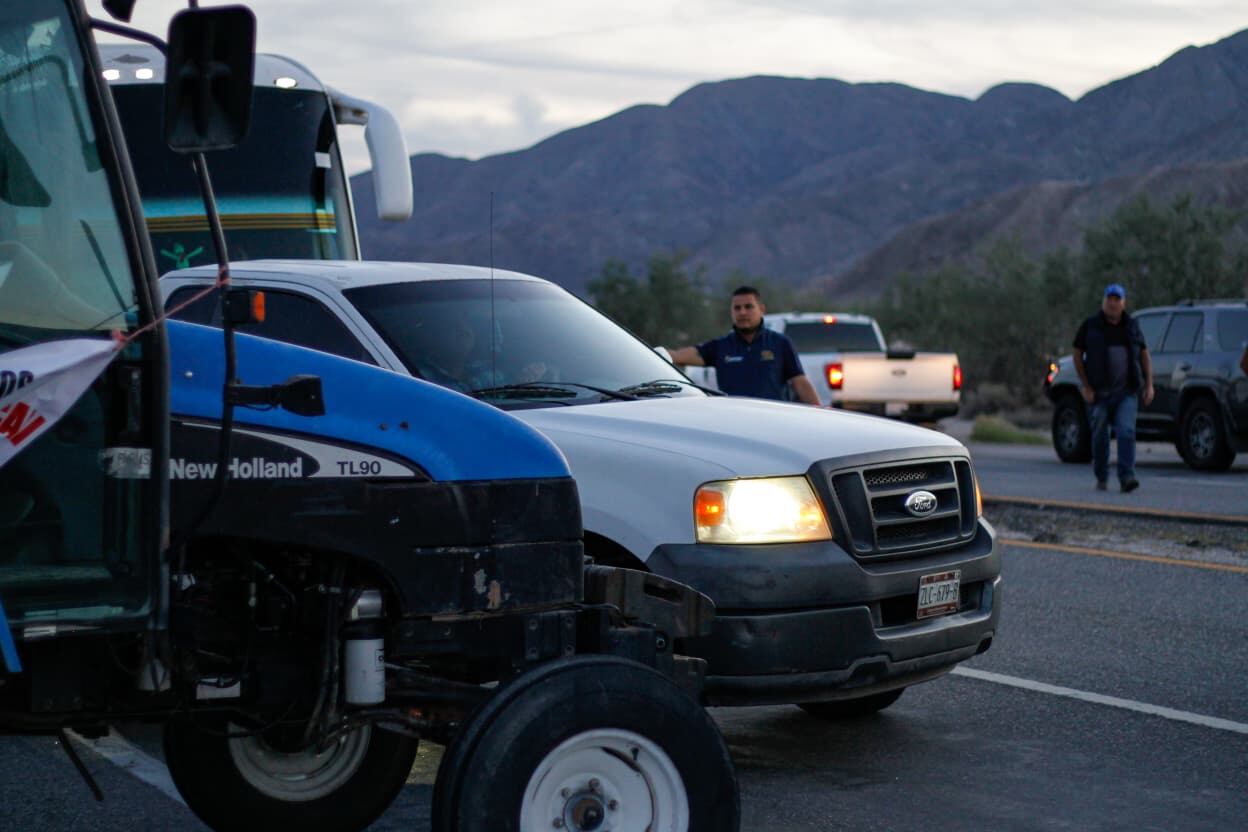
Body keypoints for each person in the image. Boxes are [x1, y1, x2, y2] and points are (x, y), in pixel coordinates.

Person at [667, 285, 820, 404]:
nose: (742, 312)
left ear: (761, 309)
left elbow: (800, 383)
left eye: (748, 307)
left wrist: (820, 413)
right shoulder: (721, 347)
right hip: (736, 422)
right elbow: (678, 357)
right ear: (731, 312)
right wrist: (654, 354)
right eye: (737, 308)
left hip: (775, 420)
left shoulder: (780, 343)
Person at [1072, 282, 1155, 493]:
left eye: (1117, 299)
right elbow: (1077, 353)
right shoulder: (1091, 325)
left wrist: (1149, 385)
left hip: (1126, 392)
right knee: (1100, 434)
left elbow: (1144, 354)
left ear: (1123, 303)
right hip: (1099, 393)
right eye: (1109, 299)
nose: (1113, 303)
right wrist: (1086, 386)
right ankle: (1101, 474)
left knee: (1126, 431)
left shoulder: (1132, 326)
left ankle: (1127, 477)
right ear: (1104, 301)